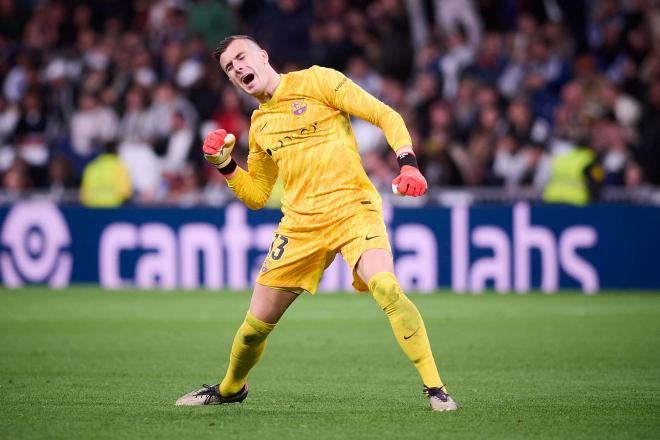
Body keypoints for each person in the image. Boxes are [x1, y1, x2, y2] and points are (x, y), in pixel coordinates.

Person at [175, 35, 457, 412]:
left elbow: (385, 115)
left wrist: (408, 162)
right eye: (229, 68)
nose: (238, 68)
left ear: (263, 55)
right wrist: (226, 166)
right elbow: (258, 195)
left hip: (352, 208)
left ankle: (436, 388)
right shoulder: (260, 126)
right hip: (300, 226)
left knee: (386, 286)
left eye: (241, 57)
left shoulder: (318, 81)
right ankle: (230, 388)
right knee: (252, 330)